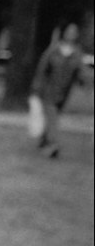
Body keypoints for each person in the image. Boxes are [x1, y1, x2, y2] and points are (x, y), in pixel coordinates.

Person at [30, 24, 86, 158]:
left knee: (52, 117)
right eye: (69, 31)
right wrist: (36, 87)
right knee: (52, 117)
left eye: (74, 32)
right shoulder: (54, 49)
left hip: (64, 93)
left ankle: (43, 141)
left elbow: (81, 73)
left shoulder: (77, 53)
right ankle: (53, 145)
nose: (71, 34)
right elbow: (42, 69)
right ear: (64, 32)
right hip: (48, 90)